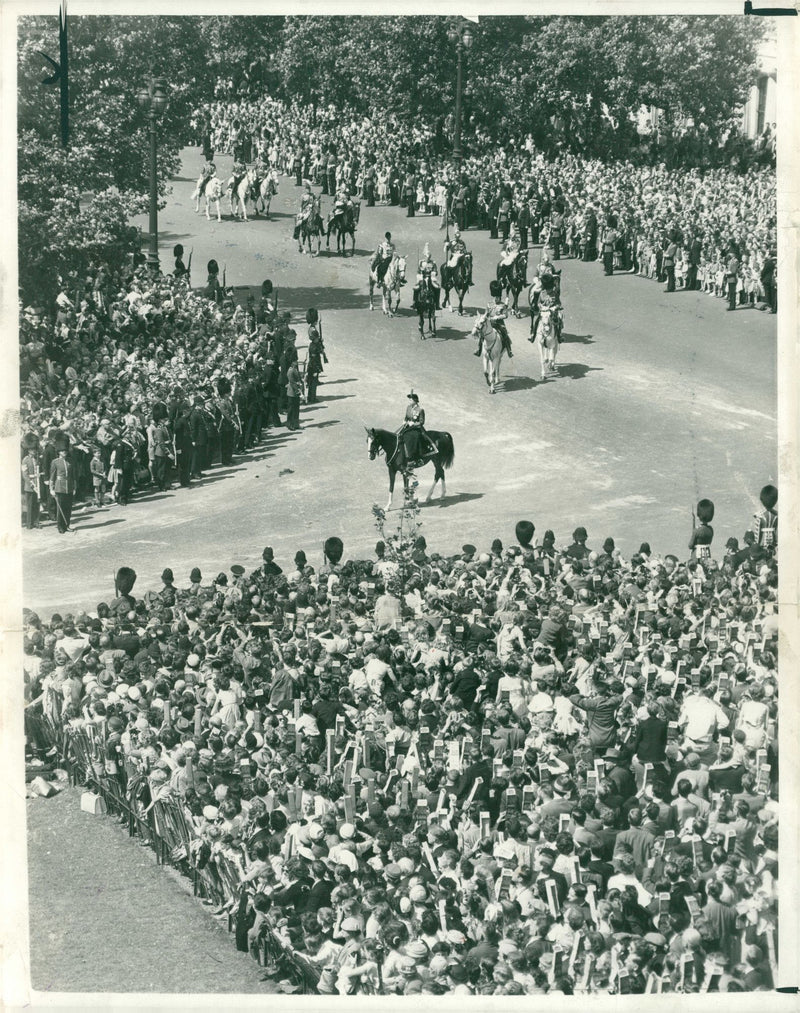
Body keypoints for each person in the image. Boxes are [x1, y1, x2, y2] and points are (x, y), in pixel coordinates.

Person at [475, 280, 513, 359]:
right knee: (482, 334)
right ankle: (478, 349)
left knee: (505, 334)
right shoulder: (489, 304)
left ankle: (509, 350)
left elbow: (506, 315)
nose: (497, 299)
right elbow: (486, 313)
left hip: (499, 324)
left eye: (498, 297)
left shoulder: (503, 305)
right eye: (496, 297)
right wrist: (485, 318)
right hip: (490, 324)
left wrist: (497, 317)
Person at [398, 391, 436, 468]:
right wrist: (404, 421)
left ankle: (415, 458)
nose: (409, 401)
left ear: (415, 401)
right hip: (408, 427)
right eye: (409, 400)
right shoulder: (408, 408)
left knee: (414, 437)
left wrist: (414, 424)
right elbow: (406, 417)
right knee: (400, 435)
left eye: (411, 400)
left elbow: (422, 422)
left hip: (416, 428)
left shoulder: (420, 410)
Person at [48, 443, 75, 534]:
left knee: (68, 508)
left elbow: (73, 475)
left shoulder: (70, 460)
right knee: (60, 509)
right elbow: (52, 476)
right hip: (59, 486)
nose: (65, 452)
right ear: (59, 452)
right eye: (63, 451)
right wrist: (51, 488)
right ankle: (60, 527)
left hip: (69, 486)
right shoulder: (55, 462)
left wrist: (74, 487)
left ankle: (67, 525)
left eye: (66, 451)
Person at [413, 243, 440, 310]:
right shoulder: (421, 262)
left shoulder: (433, 262)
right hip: (422, 277)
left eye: (429, 257)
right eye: (426, 257)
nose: (428, 258)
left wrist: (433, 273)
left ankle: (437, 303)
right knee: (416, 288)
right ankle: (414, 302)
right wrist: (421, 273)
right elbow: (418, 271)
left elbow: (436, 271)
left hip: (431, 277)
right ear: (424, 256)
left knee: (437, 288)